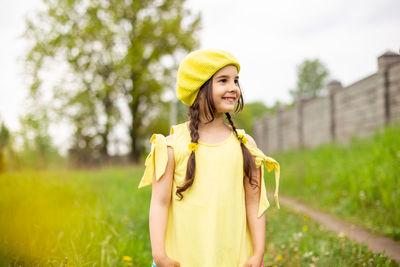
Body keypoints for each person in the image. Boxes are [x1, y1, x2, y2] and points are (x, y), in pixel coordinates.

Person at [138, 49, 280, 267]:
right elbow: (159, 203)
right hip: (184, 259)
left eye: (236, 80)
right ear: (199, 88)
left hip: (235, 258)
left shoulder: (245, 146)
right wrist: (160, 255)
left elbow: (254, 203)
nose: (233, 88)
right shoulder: (170, 146)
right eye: (223, 80)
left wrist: (258, 252)